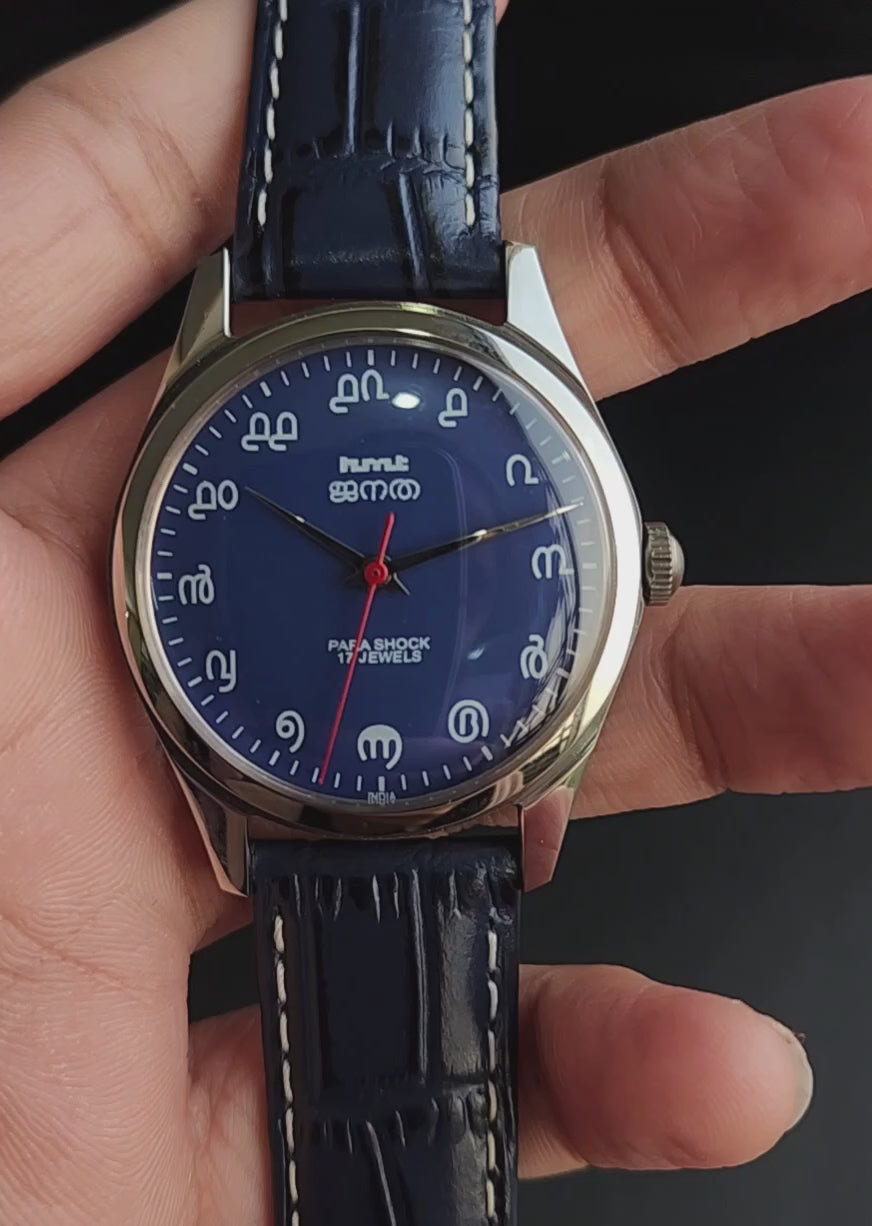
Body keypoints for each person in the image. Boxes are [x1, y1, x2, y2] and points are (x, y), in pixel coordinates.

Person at [3, 0, 872, 1218]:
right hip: (300, 779)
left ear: (635, 564)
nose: (376, 570)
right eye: (371, 562)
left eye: (390, 560)